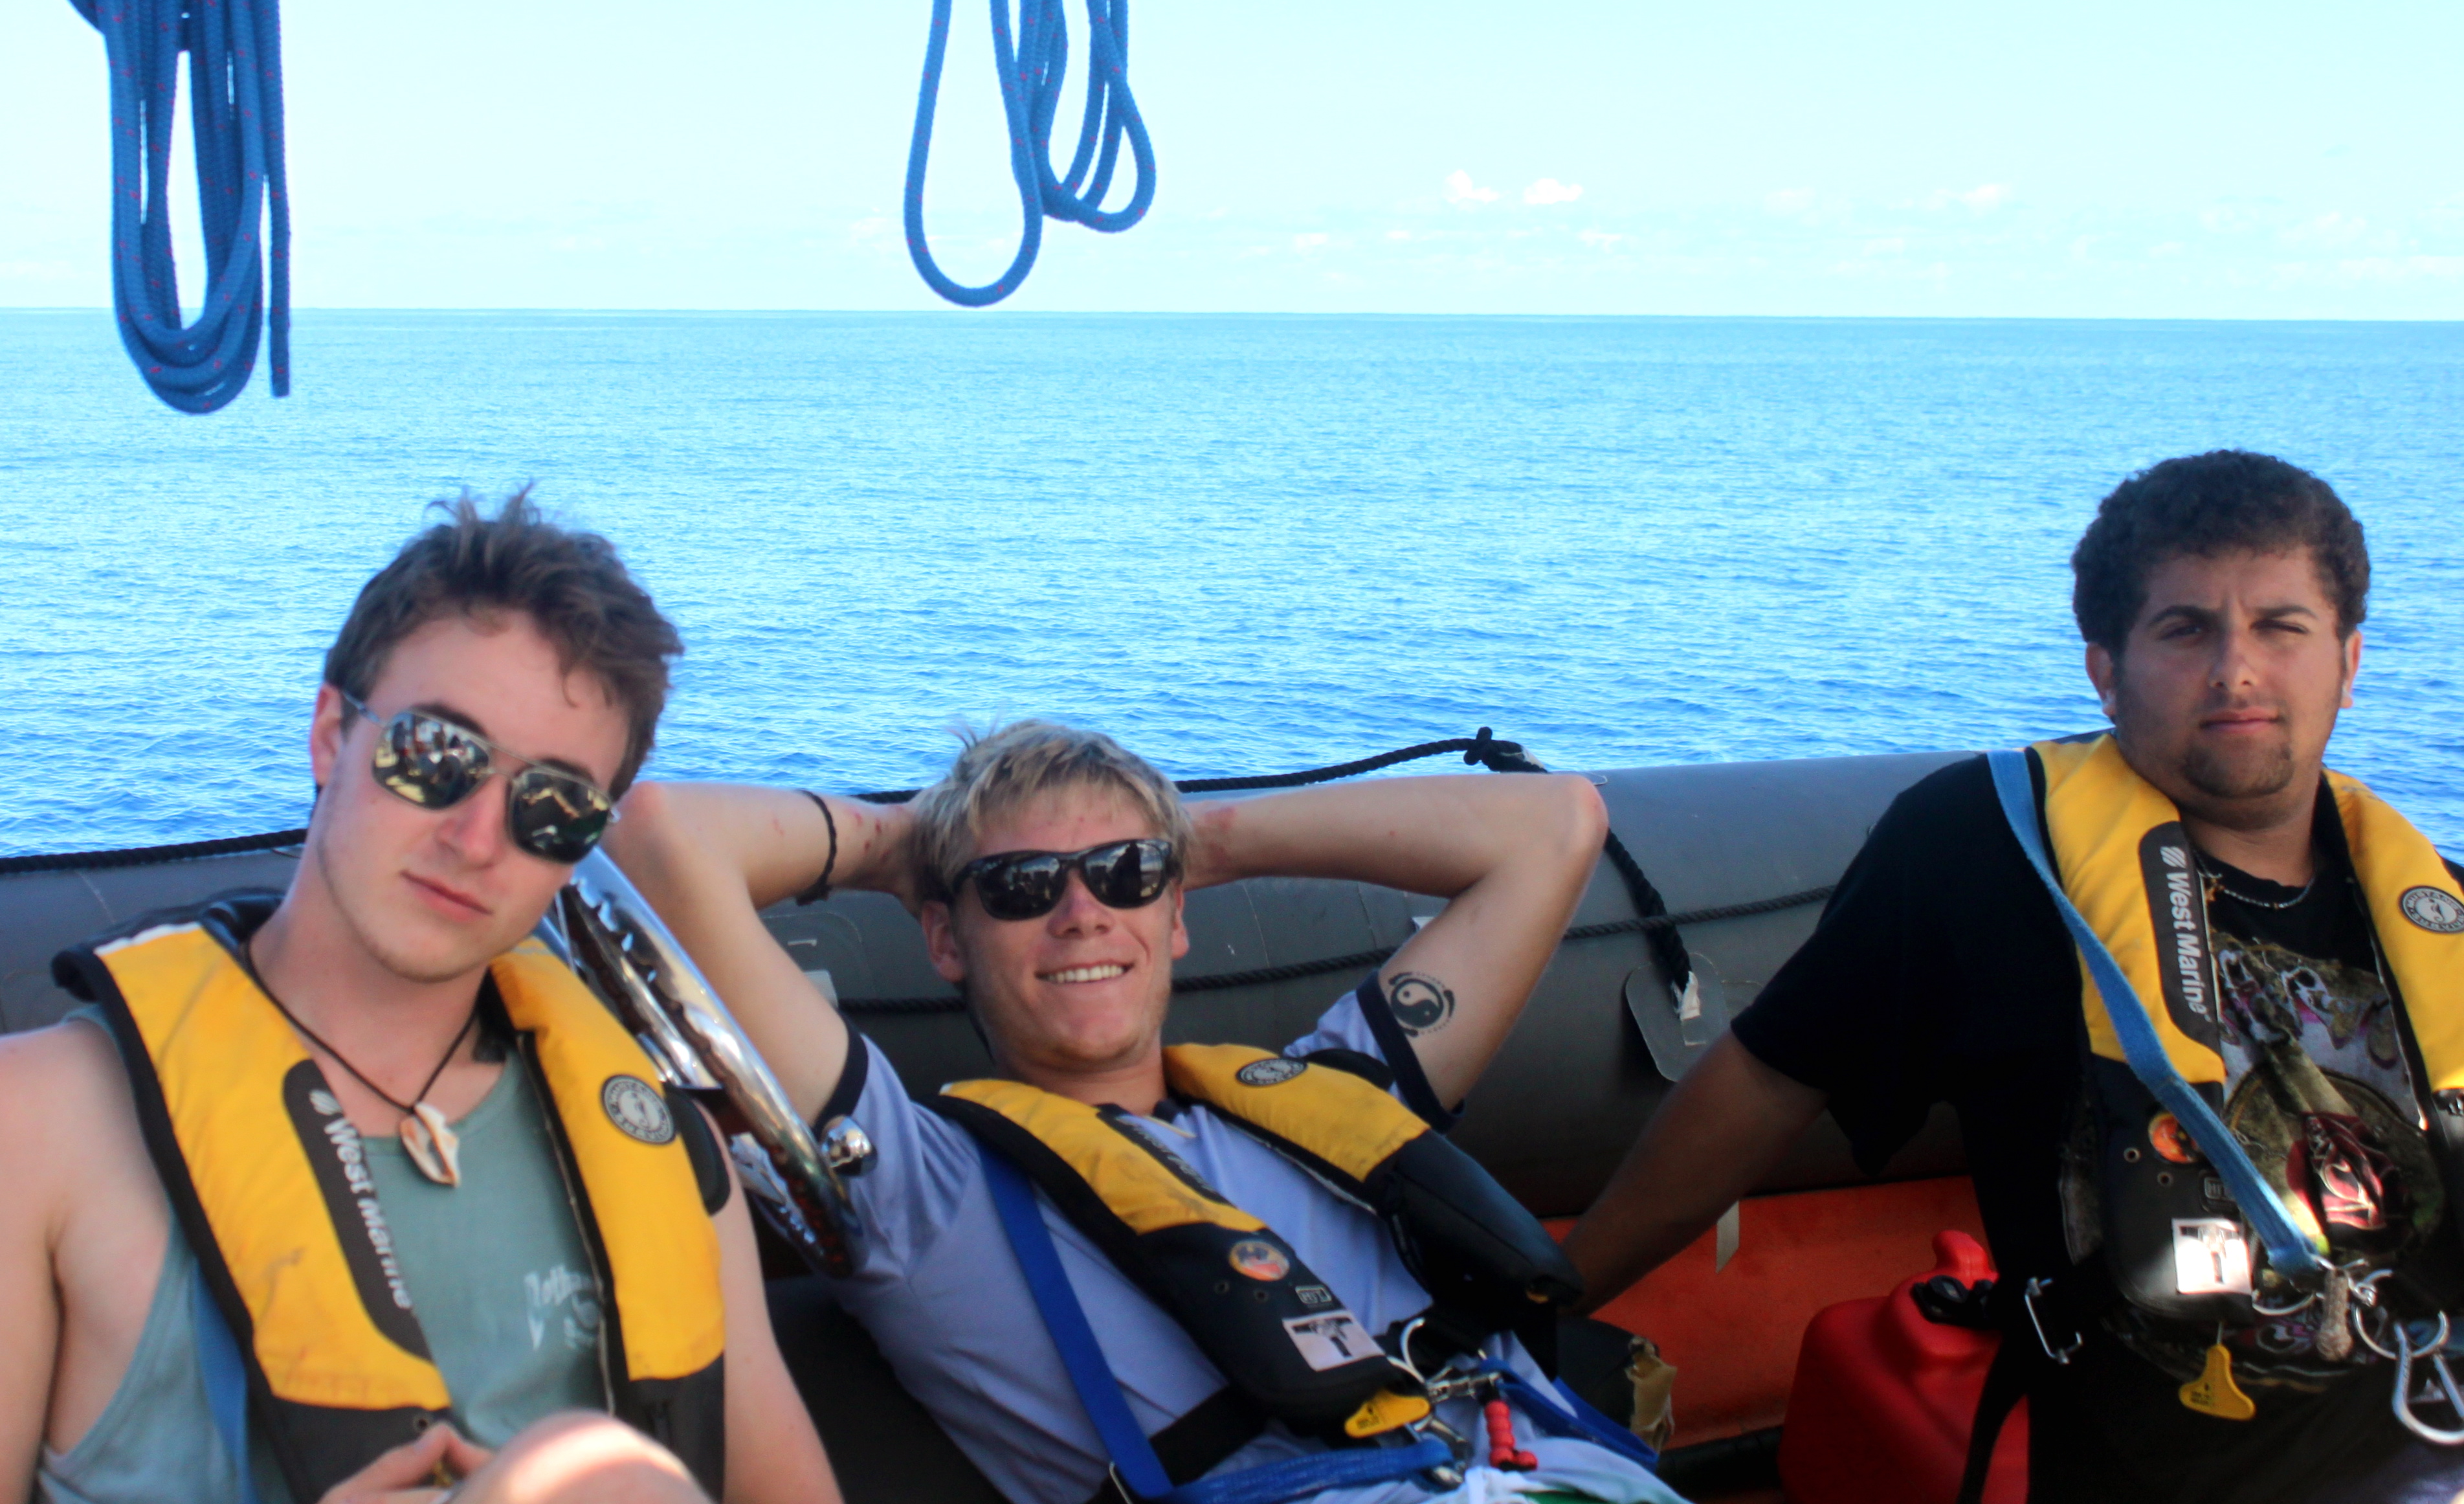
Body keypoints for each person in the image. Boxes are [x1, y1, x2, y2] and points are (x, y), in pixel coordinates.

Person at [0, 494, 838, 1504]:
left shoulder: (668, 1153)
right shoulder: (19, 1125)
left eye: (552, 806)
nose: (477, 838)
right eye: (436, 754)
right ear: (332, 734)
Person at [1562, 450, 2464, 1504]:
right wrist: (1548, 1305)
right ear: (2105, 670)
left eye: (2281, 626)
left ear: (2349, 663)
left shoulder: (2433, 904)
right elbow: (1765, 1080)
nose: (2236, 669)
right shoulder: (1980, 851)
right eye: (2186, 629)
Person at [607, 719, 1685, 1504]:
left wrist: (1199, 841)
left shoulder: (1337, 1095)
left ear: (1177, 913)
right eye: (1021, 886)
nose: (1083, 913)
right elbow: (660, 836)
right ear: (944, 937)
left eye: (1124, 873)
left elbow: (1555, 823)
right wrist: (912, 847)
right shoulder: (917, 1189)